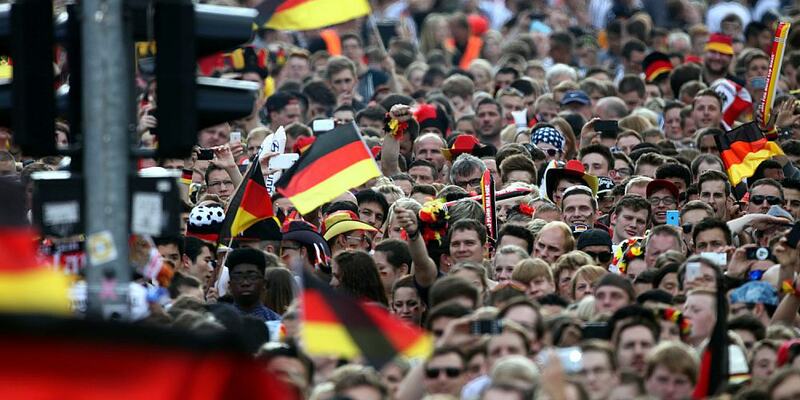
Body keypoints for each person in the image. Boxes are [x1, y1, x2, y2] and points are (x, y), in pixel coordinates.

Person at [226, 248, 281, 321]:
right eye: (238, 277)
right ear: (229, 285)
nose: (245, 283)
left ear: (264, 283)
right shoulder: (218, 324)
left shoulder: (276, 323)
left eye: (252, 276)